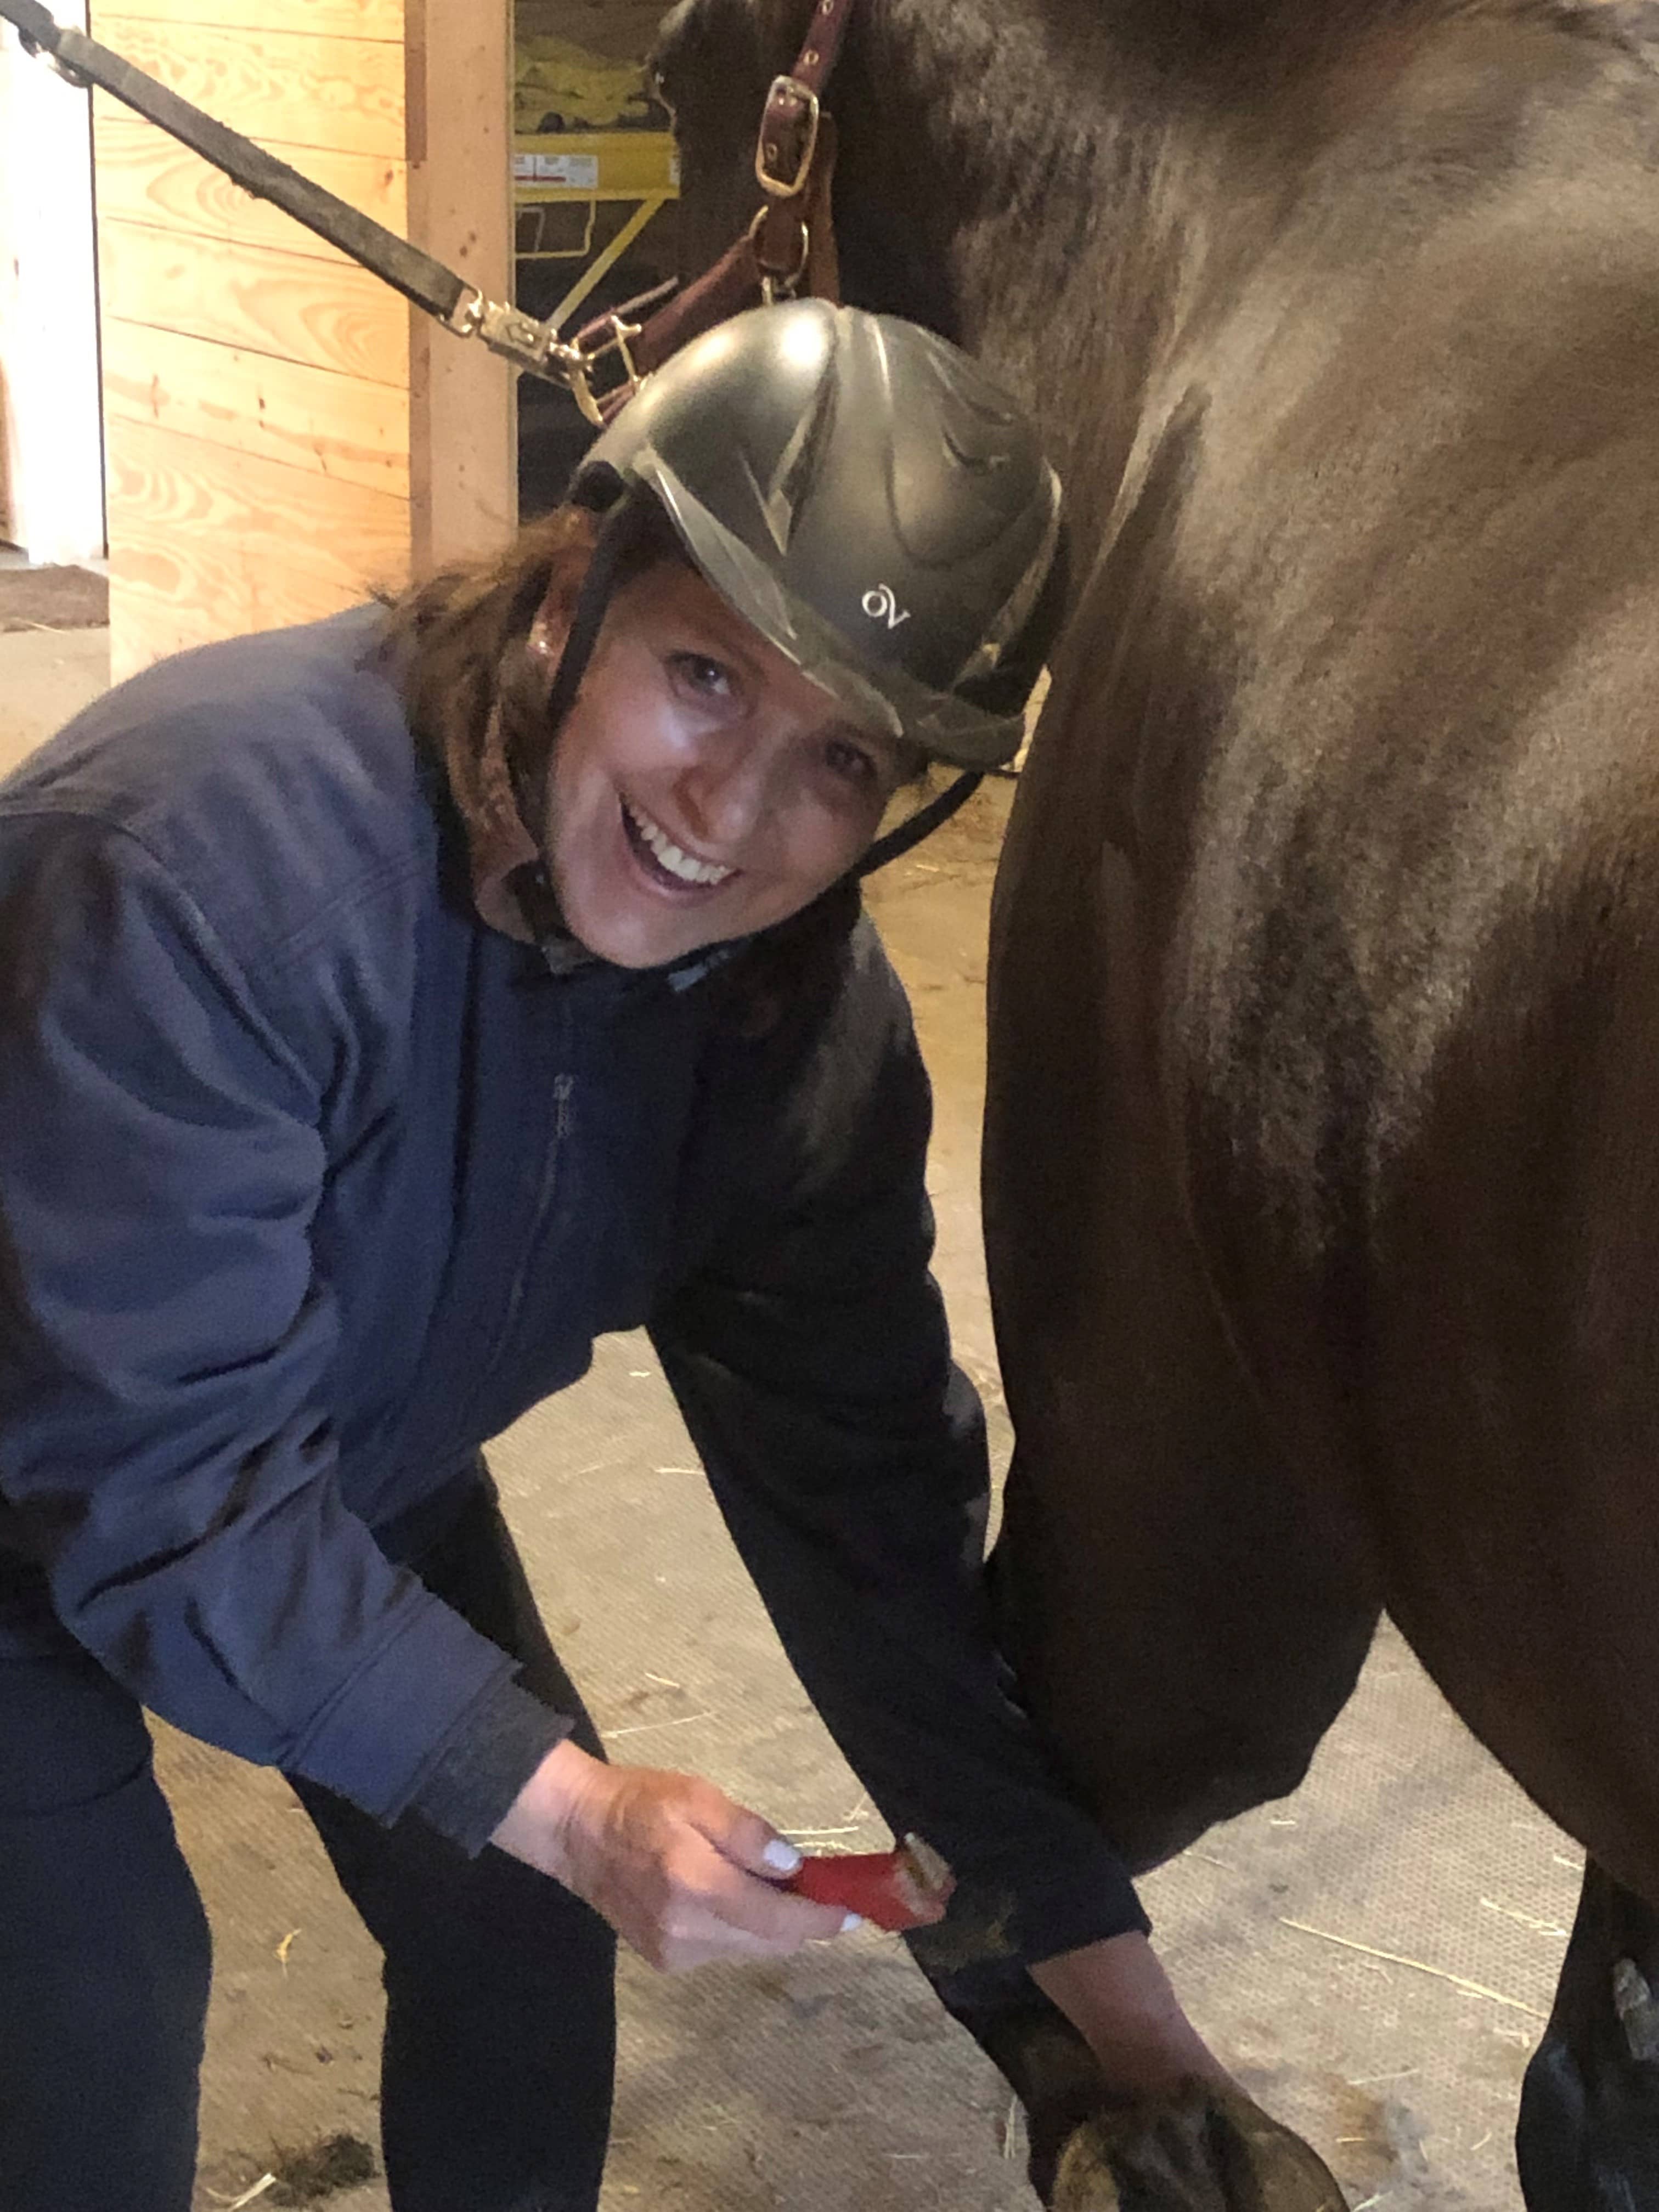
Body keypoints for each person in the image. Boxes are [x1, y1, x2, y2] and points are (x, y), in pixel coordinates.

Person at [0, 300, 1221, 2212]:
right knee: (91, 2014)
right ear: (577, 594)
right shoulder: (202, 864)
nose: (729, 818)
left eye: (843, 761)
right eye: (705, 681)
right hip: (42, 1460)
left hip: (333, 1445)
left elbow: (868, 1519)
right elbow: (163, 1499)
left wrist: (1137, 2039)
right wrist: (579, 1810)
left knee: (516, 1923)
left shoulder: (787, 1032)